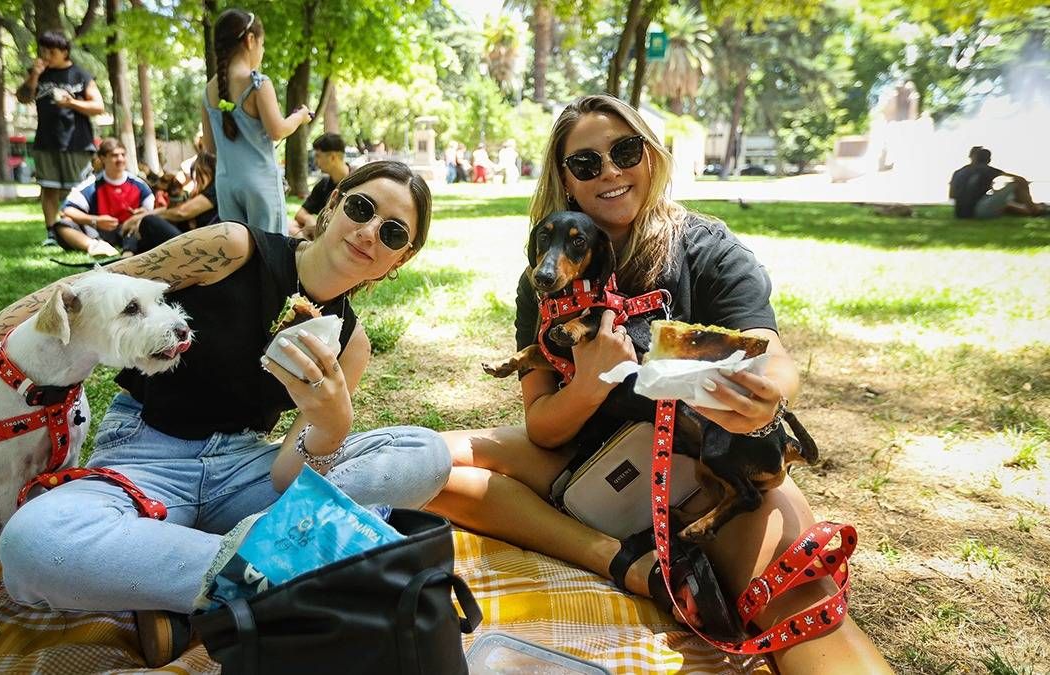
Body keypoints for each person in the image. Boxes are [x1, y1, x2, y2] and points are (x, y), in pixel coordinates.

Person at [0, 160, 450, 661]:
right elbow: (81, 287)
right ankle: (286, 571)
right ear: (333, 205)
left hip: (243, 472)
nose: (369, 230)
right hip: (144, 454)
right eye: (361, 207)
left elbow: (285, 471)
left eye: (394, 231)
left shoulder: (350, 344)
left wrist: (330, 425)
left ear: (399, 260)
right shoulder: (234, 247)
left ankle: (195, 583)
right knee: (31, 545)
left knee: (423, 453)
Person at [425, 95, 891, 674]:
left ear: (651, 156)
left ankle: (663, 559)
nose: (612, 172)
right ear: (565, 180)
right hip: (588, 456)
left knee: (800, 602)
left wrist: (764, 393)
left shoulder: (706, 248)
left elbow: (768, 354)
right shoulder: (546, 277)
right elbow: (542, 427)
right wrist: (589, 385)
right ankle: (627, 563)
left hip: (703, 473)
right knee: (422, 466)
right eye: (587, 163)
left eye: (625, 151)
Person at [201, 8, 311, 234]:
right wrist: (299, 117)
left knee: (238, 253)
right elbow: (277, 131)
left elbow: (210, 147)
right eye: (263, 44)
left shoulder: (208, 92)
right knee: (270, 250)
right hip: (260, 184)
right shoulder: (257, 84)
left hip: (225, 184)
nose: (262, 50)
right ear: (250, 40)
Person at [16, 31, 105, 246]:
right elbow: (22, 97)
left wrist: (72, 104)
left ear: (64, 52)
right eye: (43, 50)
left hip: (77, 141)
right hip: (46, 140)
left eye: (51, 51)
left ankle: (82, 230)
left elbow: (98, 107)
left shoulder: (80, 75)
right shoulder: (39, 73)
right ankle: (51, 234)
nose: (46, 55)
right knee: (49, 188)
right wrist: (35, 75)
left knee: (81, 189)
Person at [55, 138, 154, 257]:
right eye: (114, 155)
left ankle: (128, 251)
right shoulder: (91, 185)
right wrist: (95, 220)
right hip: (98, 232)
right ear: (102, 158)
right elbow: (67, 209)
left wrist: (143, 213)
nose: (120, 159)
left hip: (131, 231)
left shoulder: (139, 185)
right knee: (63, 223)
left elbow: (154, 212)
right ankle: (94, 246)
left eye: (123, 155)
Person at [121, 152, 220, 254]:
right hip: (191, 242)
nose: (195, 179)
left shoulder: (215, 189)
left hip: (198, 249)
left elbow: (182, 212)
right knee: (143, 231)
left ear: (207, 170)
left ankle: (128, 253)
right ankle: (128, 250)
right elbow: (173, 209)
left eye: (197, 173)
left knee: (149, 221)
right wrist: (141, 216)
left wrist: (143, 217)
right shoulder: (200, 192)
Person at [949, 146, 1047, 219]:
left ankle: (1033, 209)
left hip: (960, 213)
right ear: (989, 160)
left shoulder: (958, 172)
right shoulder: (988, 170)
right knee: (1017, 183)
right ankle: (1035, 211)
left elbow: (952, 195)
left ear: (972, 157)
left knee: (1006, 203)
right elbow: (1020, 179)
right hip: (977, 212)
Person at [290, 133, 351, 239]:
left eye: (318, 156)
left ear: (332, 157)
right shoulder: (324, 185)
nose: (315, 162)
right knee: (291, 227)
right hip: (324, 238)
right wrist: (308, 219)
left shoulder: (360, 183)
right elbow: (300, 214)